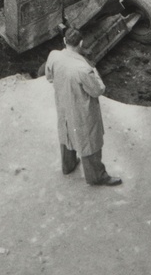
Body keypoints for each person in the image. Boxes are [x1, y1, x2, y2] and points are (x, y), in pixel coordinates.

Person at [45, 27, 122, 187]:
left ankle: (68, 165)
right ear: (81, 43)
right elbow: (98, 90)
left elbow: (49, 77)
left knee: (66, 133)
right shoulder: (83, 69)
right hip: (81, 110)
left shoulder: (54, 56)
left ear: (65, 41)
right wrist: (93, 70)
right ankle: (96, 176)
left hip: (63, 105)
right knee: (88, 140)